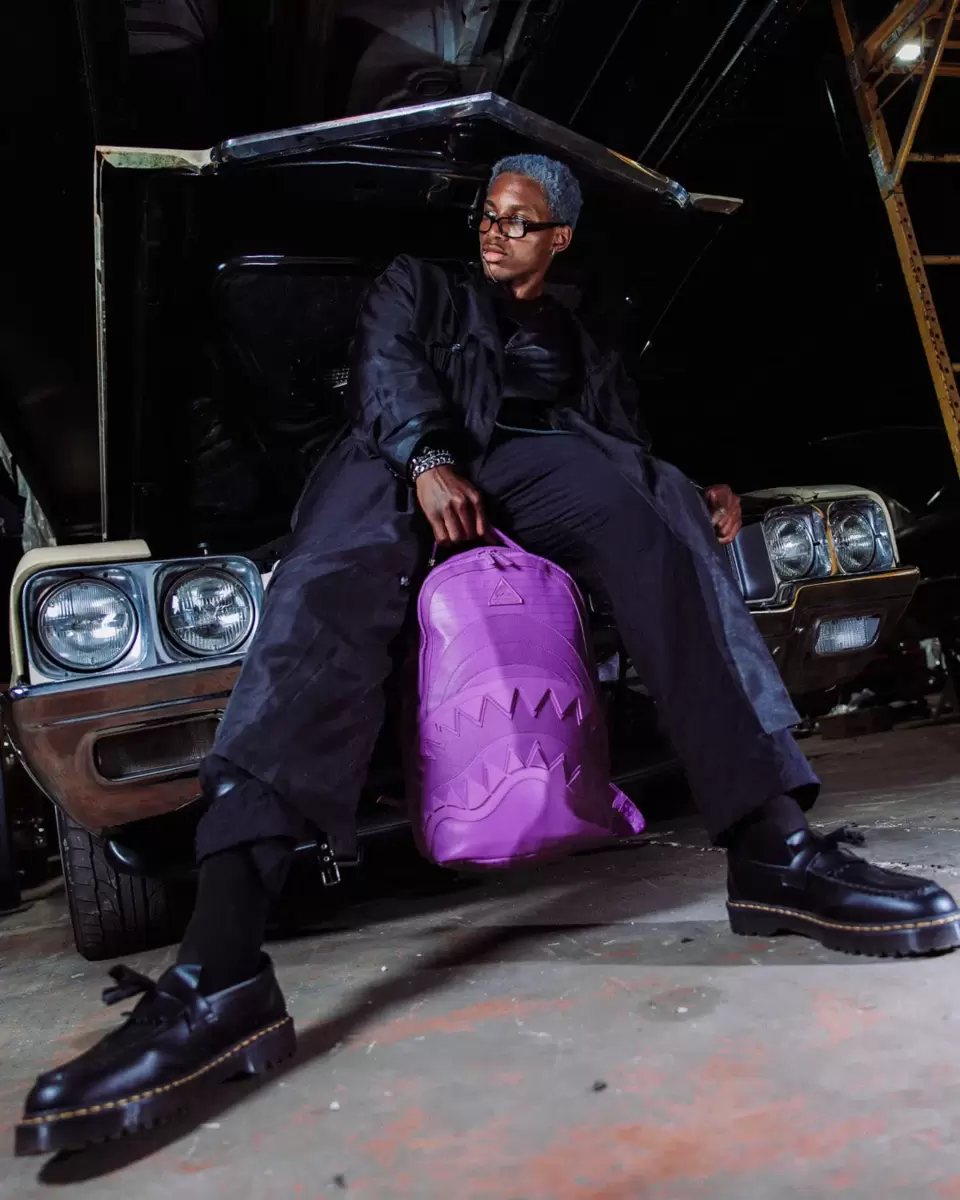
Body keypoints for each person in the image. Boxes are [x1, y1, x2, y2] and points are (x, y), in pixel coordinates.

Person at [17, 154, 960, 1157]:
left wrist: (689, 488)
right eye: (489, 214)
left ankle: (774, 847)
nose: (495, 231)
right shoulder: (420, 285)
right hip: (406, 454)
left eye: (519, 220)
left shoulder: (582, 330)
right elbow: (387, 369)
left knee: (658, 525)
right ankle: (219, 970)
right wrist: (428, 459)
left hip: (542, 461)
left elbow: (620, 438)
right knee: (324, 595)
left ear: (560, 238)